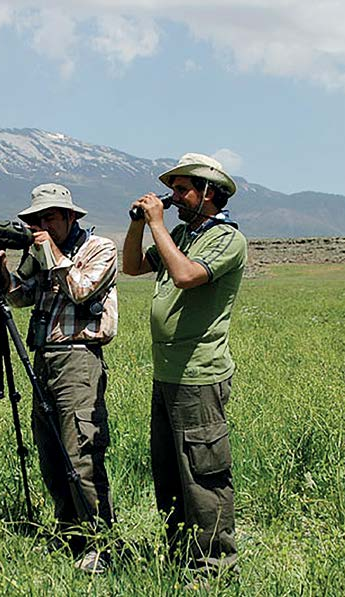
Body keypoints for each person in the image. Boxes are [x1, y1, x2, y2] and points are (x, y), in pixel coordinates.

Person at [123, 153, 247, 576]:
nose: (173, 197)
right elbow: (133, 266)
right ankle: (179, 553)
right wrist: (140, 225)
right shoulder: (180, 233)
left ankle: (216, 564)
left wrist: (157, 225)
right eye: (171, 189)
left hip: (199, 374)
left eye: (182, 189)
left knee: (203, 472)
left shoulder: (227, 239)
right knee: (170, 472)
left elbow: (186, 276)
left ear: (209, 192)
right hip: (167, 373)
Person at [0, 183, 118, 573]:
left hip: (78, 358)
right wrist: (6, 274)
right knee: (51, 453)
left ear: (71, 217)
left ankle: (100, 542)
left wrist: (49, 251)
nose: (42, 225)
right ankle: (69, 533)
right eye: (37, 219)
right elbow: (22, 297)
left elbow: (80, 290)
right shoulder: (41, 253)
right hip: (43, 358)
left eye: (50, 217)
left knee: (81, 452)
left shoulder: (99, 248)